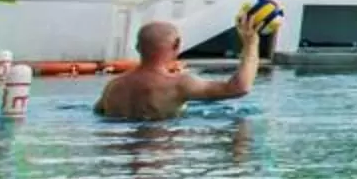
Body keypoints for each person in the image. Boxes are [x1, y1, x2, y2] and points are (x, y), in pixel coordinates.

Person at [95, 17, 260, 122]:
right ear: (177, 45)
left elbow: (98, 112)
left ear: (137, 46)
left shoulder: (113, 86)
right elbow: (240, 88)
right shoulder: (179, 84)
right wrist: (251, 44)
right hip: (161, 153)